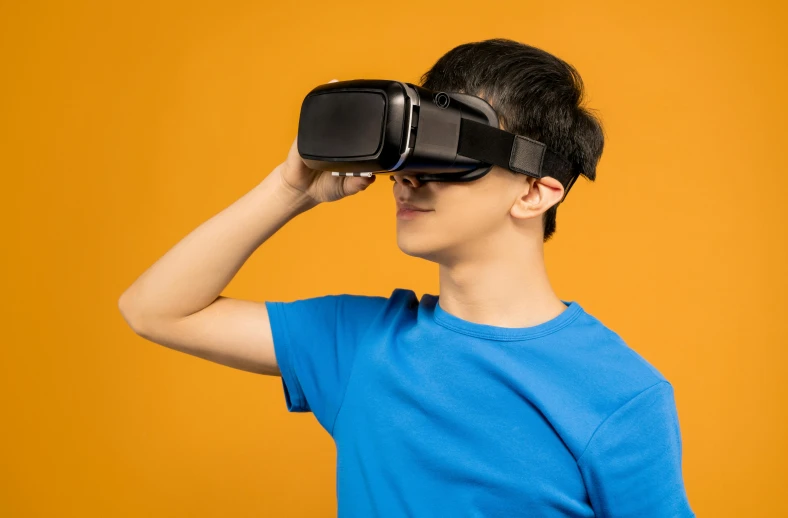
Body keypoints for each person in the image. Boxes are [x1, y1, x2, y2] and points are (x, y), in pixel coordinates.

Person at [118, 39, 695, 517]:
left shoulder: (620, 394)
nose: (409, 180)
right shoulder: (362, 342)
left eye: (448, 152)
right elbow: (156, 310)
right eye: (412, 152)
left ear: (534, 190)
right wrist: (287, 188)